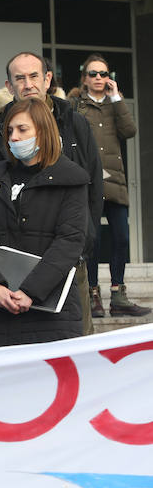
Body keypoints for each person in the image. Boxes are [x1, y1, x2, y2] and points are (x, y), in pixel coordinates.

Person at [0, 51, 103, 335]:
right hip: (15, 263)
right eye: (19, 78)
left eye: (34, 76)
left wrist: (86, 236)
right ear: (9, 86)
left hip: (70, 256)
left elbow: (94, 184)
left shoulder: (75, 122)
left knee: (77, 344)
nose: (28, 84)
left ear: (47, 79)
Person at [0, 98, 89, 347]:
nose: (14, 137)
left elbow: (70, 240)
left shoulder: (71, 179)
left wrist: (31, 291)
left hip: (51, 317)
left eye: (22, 130)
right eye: (10, 130)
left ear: (43, 132)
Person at [70, 53, 147, 317]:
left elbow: (130, 131)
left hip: (115, 182)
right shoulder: (76, 104)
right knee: (93, 239)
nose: (99, 78)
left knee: (121, 238)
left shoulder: (115, 103)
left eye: (104, 74)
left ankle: (118, 294)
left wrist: (117, 98)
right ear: (85, 78)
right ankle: (93, 296)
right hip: (89, 182)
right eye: (93, 74)